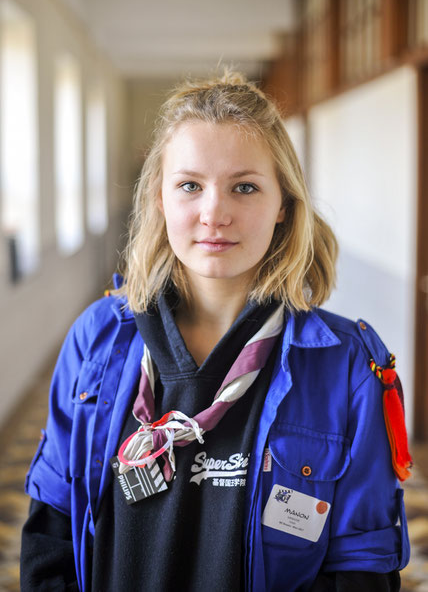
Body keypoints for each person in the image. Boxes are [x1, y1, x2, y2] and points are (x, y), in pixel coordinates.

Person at [21, 70, 411, 592]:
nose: (214, 213)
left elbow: (361, 565)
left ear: (282, 206)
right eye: (189, 185)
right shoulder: (97, 340)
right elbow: (52, 529)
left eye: (244, 187)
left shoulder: (347, 366)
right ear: (161, 198)